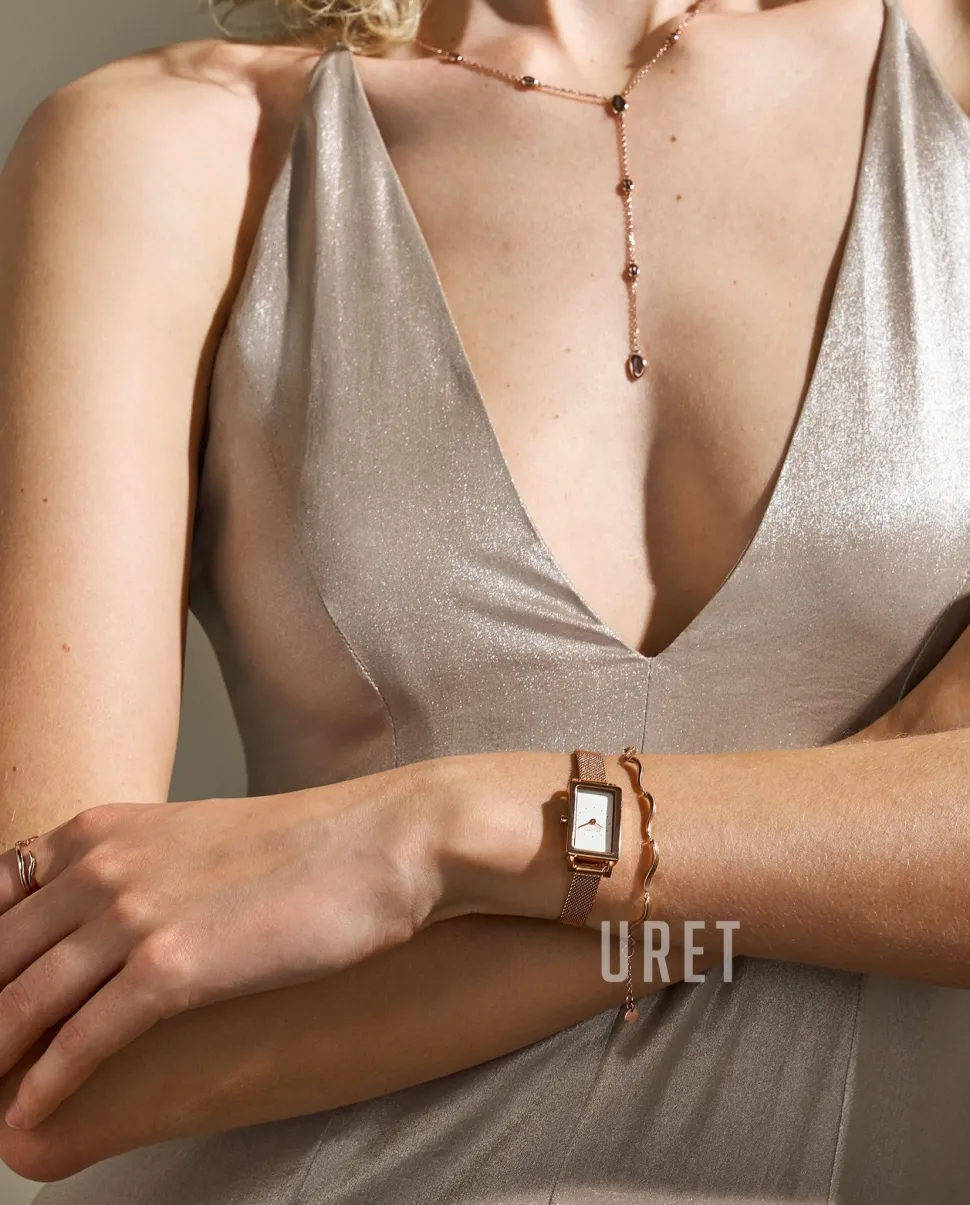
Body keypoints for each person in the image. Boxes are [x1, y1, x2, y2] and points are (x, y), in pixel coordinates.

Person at [1, 0, 969, 1200]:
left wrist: (450, 828)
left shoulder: (949, 68)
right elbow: (50, 1049)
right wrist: (856, 826)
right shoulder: (172, 146)